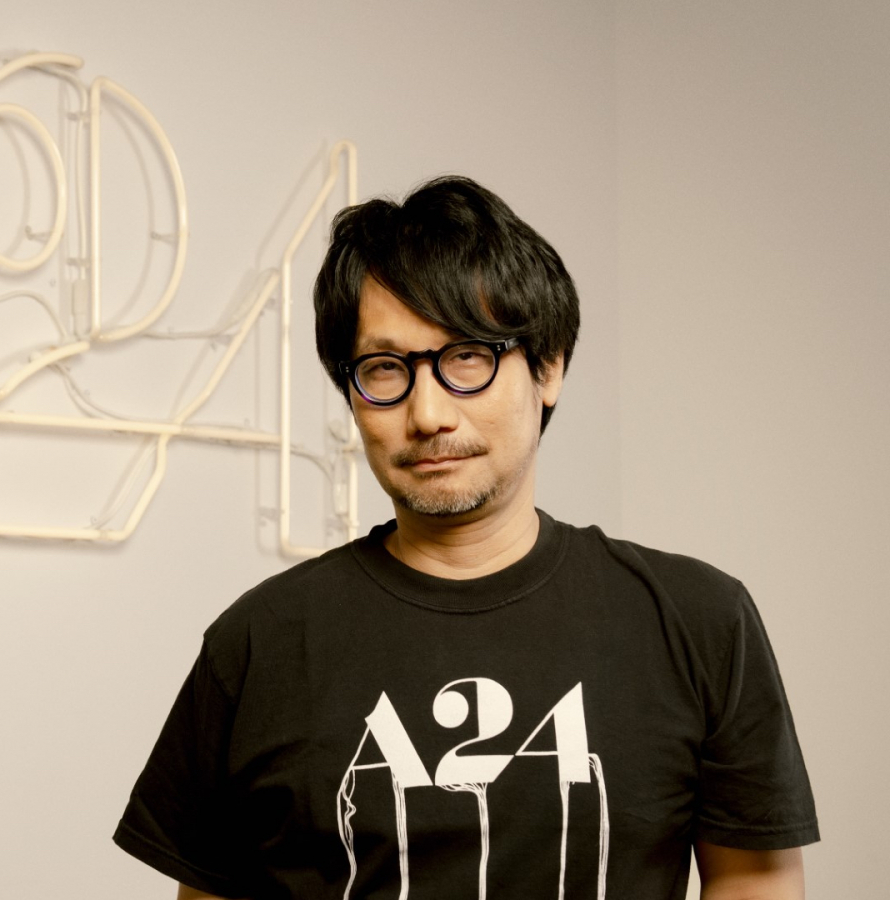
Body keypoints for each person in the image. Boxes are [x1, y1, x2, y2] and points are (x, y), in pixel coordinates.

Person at [112, 176, 818, 900]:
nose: (428, 414)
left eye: (467, 358)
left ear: (548, 367)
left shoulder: (698, 622)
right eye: (384, 369)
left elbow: (754, 886)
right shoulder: (258, 643)